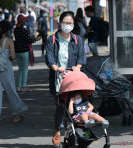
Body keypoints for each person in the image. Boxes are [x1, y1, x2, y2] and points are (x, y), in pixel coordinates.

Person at [45, 11, 86, 146]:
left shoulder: (77, 39)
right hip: (58, 80)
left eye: (70, 23)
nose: (68, 25)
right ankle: (57, 129)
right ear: (60, 23)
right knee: (61, 108)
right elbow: (49, 58)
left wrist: (78, 67)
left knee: (76, 105)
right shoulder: (52, 39)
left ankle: (74, 133)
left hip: (73, 79)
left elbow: (81, 57)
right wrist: (56, 68)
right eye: (65, 23)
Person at [0, 20, 27, 125]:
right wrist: (6, 57)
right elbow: (13, 57)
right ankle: (15, 115)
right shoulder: (9, 41)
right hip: (6, 68)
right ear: (8, 30)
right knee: (11, 91)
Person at [14, 15, 40, 92]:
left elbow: (23, 39)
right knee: (25, 69)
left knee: (20, 69)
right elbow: (28, 41)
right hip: (24, 51)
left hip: (17, 51)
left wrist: (31, 38)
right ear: (22, 21)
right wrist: (36, 39)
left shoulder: (16, 30)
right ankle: (23, 86)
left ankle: (18, 86)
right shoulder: (23, 30)